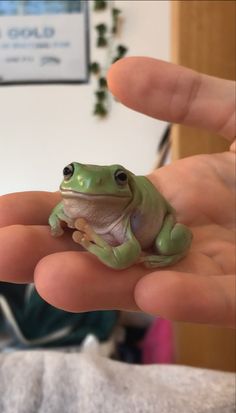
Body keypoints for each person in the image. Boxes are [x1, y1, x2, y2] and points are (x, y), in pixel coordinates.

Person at [0, 56, 235, 328]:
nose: (89, 186)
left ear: (127, 185)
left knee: (164, 244)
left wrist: (93, 243)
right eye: (69, 173)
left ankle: (171, 251)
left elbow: (127, 255)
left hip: (160, 223)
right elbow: (59, 211)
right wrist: (55, 221)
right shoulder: (70, 203)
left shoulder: (125, 213)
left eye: (120, 178)